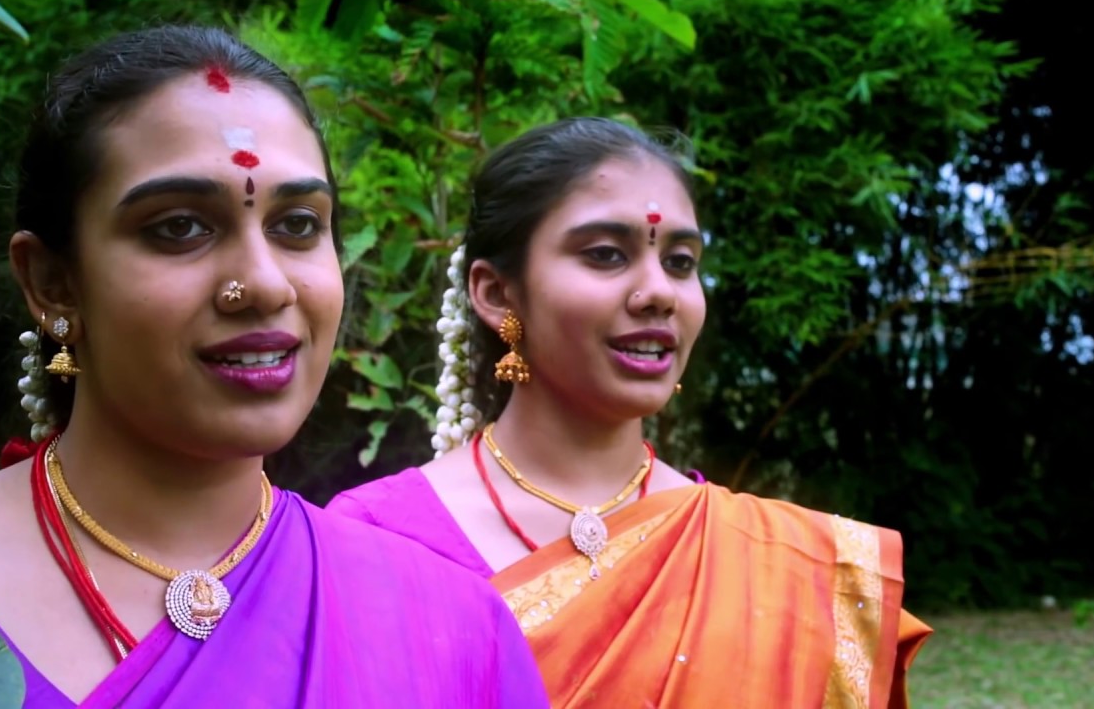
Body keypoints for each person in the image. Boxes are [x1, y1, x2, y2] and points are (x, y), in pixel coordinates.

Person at [0, 26, 549, 709]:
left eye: (297, 225)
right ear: (52, 283)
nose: (265, 284)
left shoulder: (454, 630)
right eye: (180, 227)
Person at [327, 117, 933, 708]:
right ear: (496, 293)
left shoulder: (768, 562)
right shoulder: (372, 541)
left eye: (681, 262)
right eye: (606, 255)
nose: (660, 292)